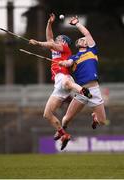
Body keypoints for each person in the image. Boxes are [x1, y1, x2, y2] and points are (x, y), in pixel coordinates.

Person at [29, 13, 92, 150]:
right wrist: (49, 23)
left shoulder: (65, 48)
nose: (55, 40)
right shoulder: (55, 49)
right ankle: (64, 135)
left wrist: (38, 43)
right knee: (47, 114)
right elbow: (50, 39)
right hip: (57, 85)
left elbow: (50, 42)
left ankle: (82, 90)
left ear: (63, 42)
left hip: (64, 78)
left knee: (66, 83)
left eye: (58, 39)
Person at [58, 16, 106, 144]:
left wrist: (77, 24)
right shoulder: (74, 57)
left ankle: (95, 117)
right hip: (81, 91)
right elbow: (68, 63)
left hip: (94, 90)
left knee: (102, 121)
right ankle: (62, 132)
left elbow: (87, 33)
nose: (82, 40)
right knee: (66, 119)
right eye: (80, 39)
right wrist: (63, 63)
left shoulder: (92, 50)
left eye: (83, 39)